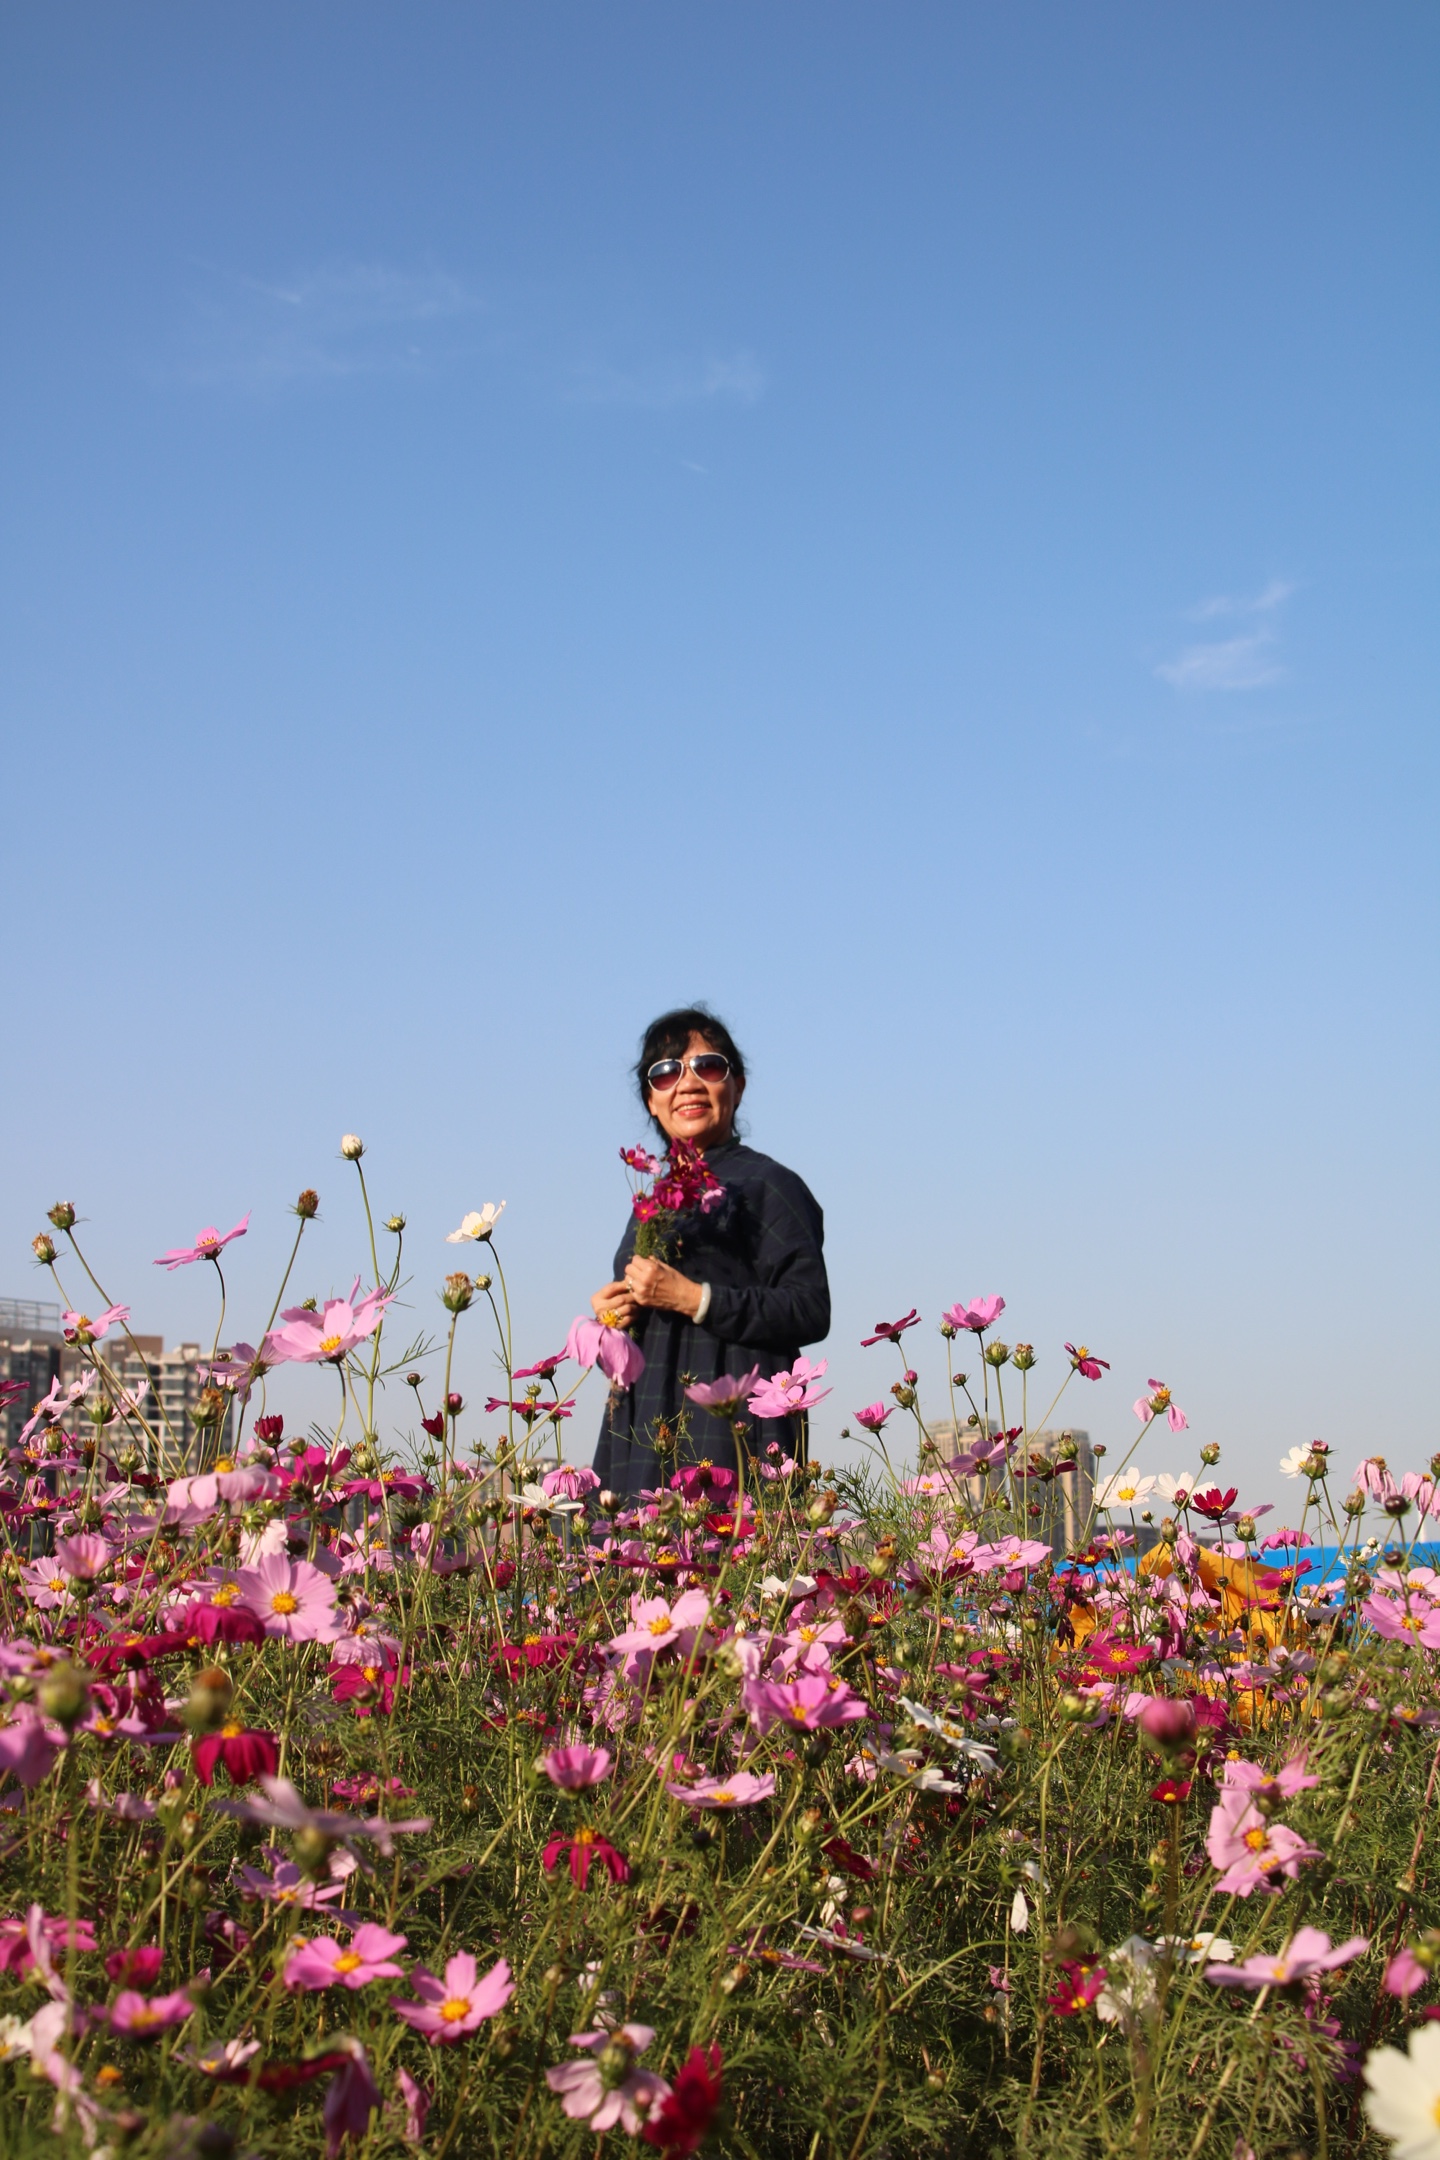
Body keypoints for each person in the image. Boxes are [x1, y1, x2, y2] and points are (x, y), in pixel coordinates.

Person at [589, 1007, 830, 1501]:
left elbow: (809, 1308)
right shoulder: (651, 1204)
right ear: (652, 1102)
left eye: (709, 1067)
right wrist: (611, 1323)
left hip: (733, 1435)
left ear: (737, 1087)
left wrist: (696, 1299)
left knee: (735, 1573)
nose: (689, 1083)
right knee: (633, 1568)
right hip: (643, 1435)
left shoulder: (768, 1186)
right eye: (667, 1072)